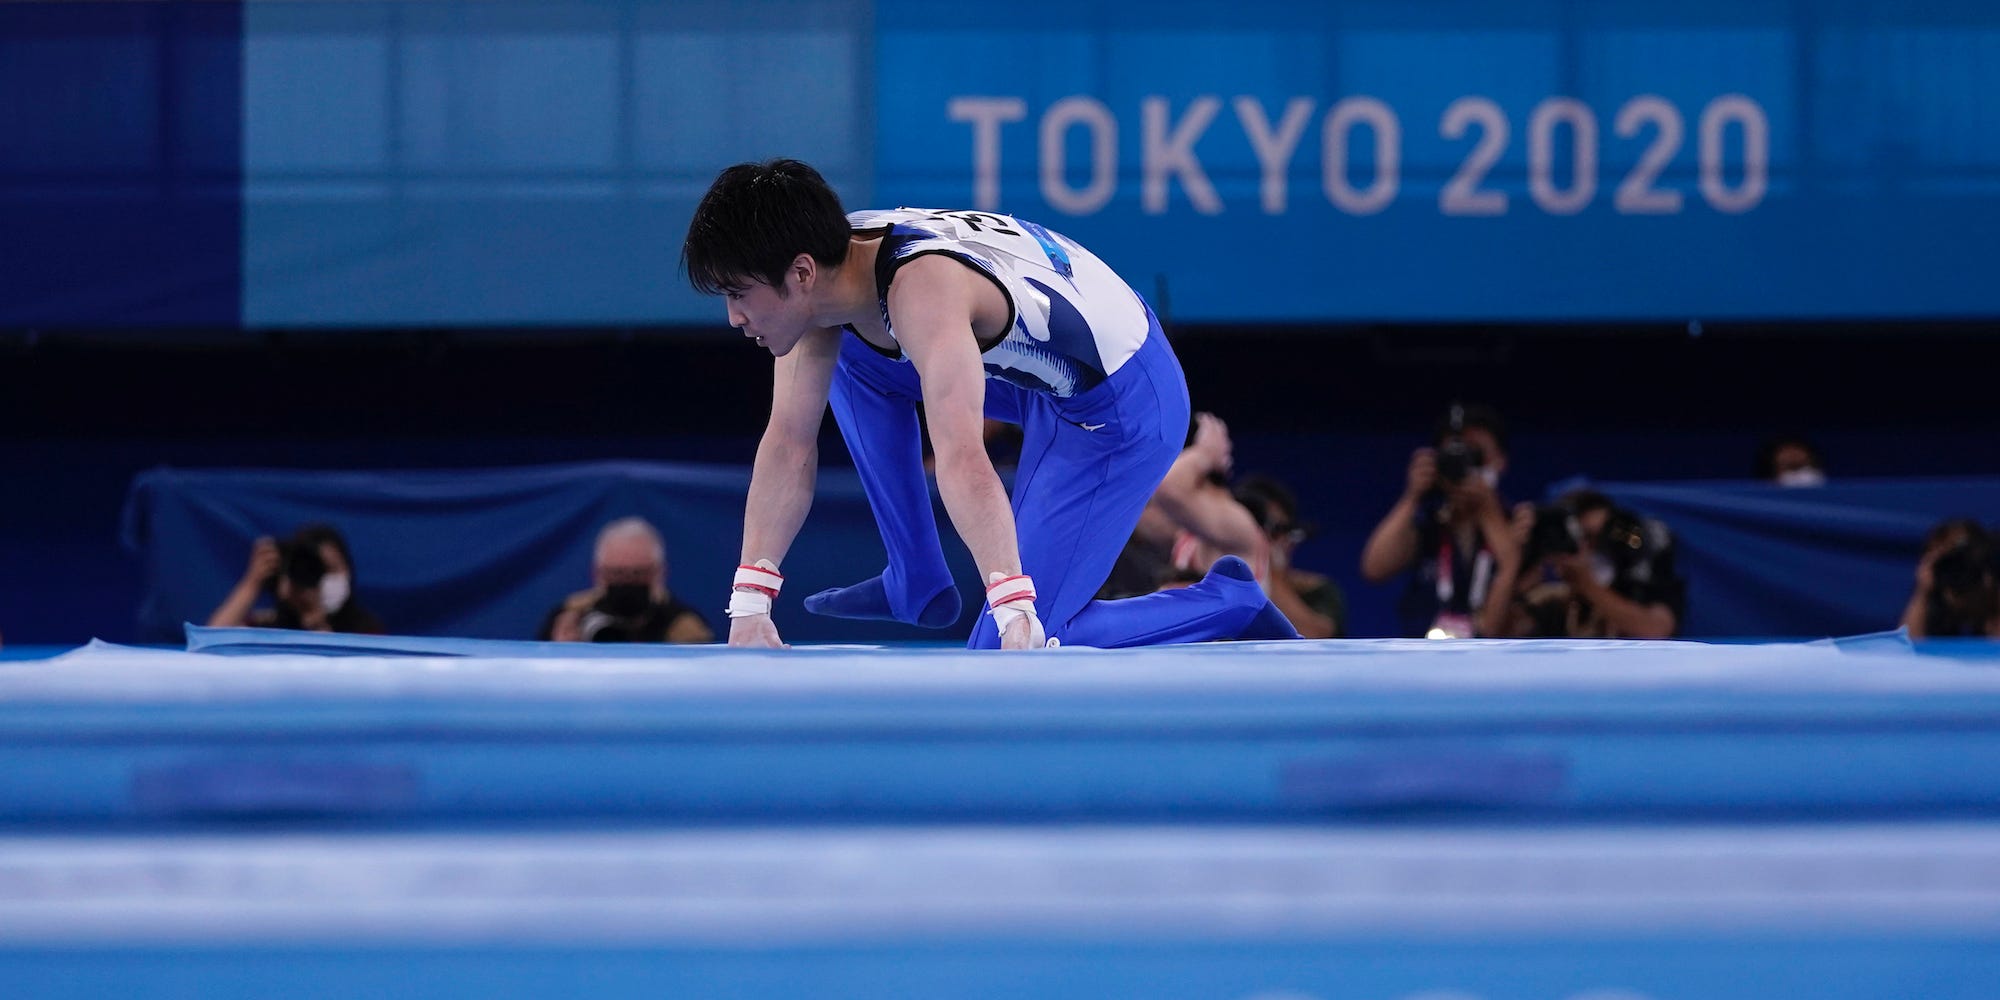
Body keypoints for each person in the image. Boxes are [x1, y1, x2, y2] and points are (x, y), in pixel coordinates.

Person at [681, 158, 1296, 649]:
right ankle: (915, 574)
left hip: (1122, 401)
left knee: (1033, 638)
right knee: (843, 352)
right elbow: (788, 443)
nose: (734, 318)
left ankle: (1227, 600)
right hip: (1039, 367)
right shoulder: (830, 268)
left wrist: (1013, 603)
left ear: (802, 271)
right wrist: (751, 604)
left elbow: (961, 455)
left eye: (739, 294)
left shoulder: (923, 292)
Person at [1359, 402, 1522, 638]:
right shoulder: (1427, 522)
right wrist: (1412, 496)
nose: (1465, 464)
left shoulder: (1519, 524)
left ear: (1500, 460)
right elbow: (1374, 569)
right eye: (1454, 454)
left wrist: (1488, 512)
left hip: (1498, 660)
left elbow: (1510, 577)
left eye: (1475, 454)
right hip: (1424, 659)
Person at [1506, 489, 1686, 639]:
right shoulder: (1549, 596)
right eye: (1583, 537)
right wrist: (1512, 561)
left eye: (1601, 539)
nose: (1593, 549)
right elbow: (1497, 631)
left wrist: (1588, 585)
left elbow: (1658, 629)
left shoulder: (1637, 585)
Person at [539, 517, 713, 643]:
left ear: (661, 573)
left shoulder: (684, 625)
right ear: (597, 573)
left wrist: (687, 651)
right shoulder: (570, 617)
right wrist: (561, 651)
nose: (627, 583)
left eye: (639, 574)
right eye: (616, 574)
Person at [208, 523, 385, 634]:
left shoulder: (365, 631)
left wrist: (319, 625)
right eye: (313, 570)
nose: (317, 581)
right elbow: (212, 642)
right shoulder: (267, 627)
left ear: (348, 570)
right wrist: (253, 582)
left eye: (330, 569)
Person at [1900, 518, 2000, 639]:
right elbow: (1907, 650)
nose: (1957, 572)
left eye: (1963, 562)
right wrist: (1922, 592)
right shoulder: (1935, 604)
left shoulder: (1991, 590)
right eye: (1948, 563)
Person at [1755, 434, 1827, 487]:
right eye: (1790, 467)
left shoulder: (1818, 481)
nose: (1792, 455)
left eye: (1796, 448)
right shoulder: (1763, 493)